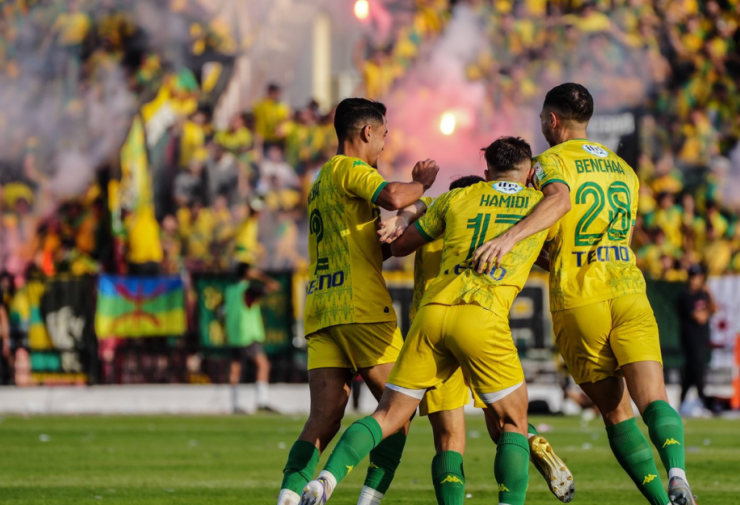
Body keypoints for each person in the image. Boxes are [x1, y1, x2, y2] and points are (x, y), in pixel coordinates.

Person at [472, 83, 694, 505]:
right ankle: (679, 473)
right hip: (628, 288)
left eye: (541, 121)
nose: (540, 128)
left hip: (579, 295)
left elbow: (549, 228)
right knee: (655, 400)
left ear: (553, 121)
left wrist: (510, 241)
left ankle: (663, 503)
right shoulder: (625, 170)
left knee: (615, 411)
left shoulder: (546, 164)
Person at [299, 136, 551, 505]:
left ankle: (326, 480)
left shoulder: (451, 201)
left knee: (390, 416)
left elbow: (399, 245)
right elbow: (555, 254)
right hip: (482, 315)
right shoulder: (539, 206)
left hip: (432, 317)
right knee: (512, 423)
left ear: (487, 173)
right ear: (530, 172)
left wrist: (406, 215)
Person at [275, 98, 439, 505]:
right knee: (398, 410)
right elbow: (395, 196)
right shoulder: (350, 169)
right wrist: (423, 184)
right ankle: (354, 494)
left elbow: (367, 248)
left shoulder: (321, 180)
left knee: (324, 417)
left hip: (323, 308)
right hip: (361, 306)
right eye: (383, 135)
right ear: (367, 132)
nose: (384, 145)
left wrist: (389, 235)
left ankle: (289, 497)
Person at [379, 173, 575, 504]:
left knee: (448, 439)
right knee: (504, 424)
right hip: (481, 326)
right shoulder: (488, 231)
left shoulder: (431, 225)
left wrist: (407, 212)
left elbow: (393, 246)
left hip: (433, 331)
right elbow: (542, 256)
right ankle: (530, 439)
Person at [226, 262, 280, 413]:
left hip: (233, 334)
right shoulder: (249, 289)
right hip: (247, 334)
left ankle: (235, 404)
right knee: (263, 365)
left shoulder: (230, 290)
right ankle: (262, 401)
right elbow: (275, 286)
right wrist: (261, 276)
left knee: (235, 368)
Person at [677, 264, 714, 410]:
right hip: (690, 337)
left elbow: (715, 308)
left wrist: (710, 295)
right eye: (693, 276)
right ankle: (702, 399)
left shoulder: (703, 295)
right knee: (697, 369)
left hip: (701, 337)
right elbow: (700, 318)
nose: (695, 280)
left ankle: (683, 401)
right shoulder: (685, 295)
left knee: (692, 371)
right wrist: (706, 311)